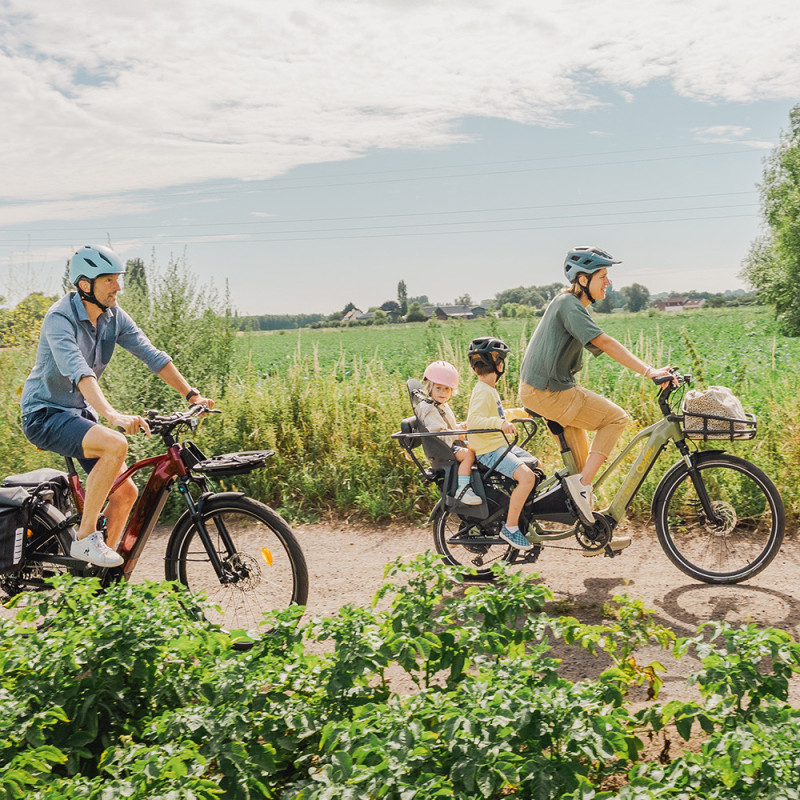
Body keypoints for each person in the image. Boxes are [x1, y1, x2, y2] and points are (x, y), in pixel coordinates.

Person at [20, 245, 214, 568]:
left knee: (125, 495)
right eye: (109, 280)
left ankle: (98, 584)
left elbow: (151, 354)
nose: (118, 287)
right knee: (116, 443)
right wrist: (113, 416)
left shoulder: (113, 318)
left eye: (117, 279)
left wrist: (190, 393)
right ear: (85, 285)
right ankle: (84, 540)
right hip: (45, 414)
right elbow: (80, 372)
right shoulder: (59, 319)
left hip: (77, 413)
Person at [518, 246, 672, 554]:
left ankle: (592, 532)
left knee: (581, 467)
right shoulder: (568, 304)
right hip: (549, 392)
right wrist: (649, 371)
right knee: (615, 419)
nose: (608, 283)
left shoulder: (570, 305)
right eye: (603, 276)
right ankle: (581, 489)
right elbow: (603, 341)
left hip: (545, 391)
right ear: (583, 279)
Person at [466, 337, 538, 551]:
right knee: (527, 477)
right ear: (499, 365)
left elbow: (498, 414)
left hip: (498, 446)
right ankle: (511, 527)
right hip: (489, 451)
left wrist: (520, 412)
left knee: (537, 465)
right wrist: (500, 424)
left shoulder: (487, 389)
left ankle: (525, 516)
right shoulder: (482, 390)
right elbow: (474, 421)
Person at [416, 360, 481, 505]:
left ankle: (477, 484)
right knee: (468, 455)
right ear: (429, 387)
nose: (443, 392)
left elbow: (446, 426)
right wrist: (458, 432)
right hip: (442, 448)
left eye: (447, 389)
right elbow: (439, 434)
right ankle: (463, 490)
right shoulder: (429, 409)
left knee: (475, 446)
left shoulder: (440, 406)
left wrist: (459, 426)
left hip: (447, 443)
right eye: (438, 388)